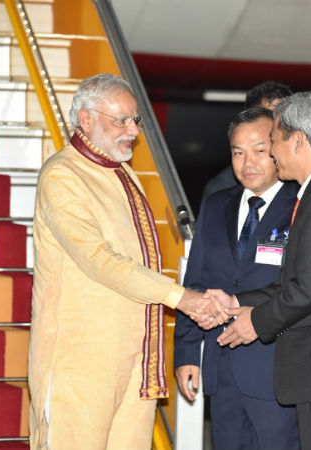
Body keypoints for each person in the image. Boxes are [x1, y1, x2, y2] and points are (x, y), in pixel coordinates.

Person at [28, 73, 213, 449]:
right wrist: (180, 298)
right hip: (80, 362)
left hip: (135, 359)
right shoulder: (62, 175)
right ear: (85, 120)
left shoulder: (123, 172)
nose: (133, 130)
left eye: (135, 119)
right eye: (122, 120)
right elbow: (98, 259)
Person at [210, 92, 311, 450]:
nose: (272, 152)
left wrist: (256, 322)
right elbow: (300, 280)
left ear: (298, 141)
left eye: (273, 141)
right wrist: (237, 302)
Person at [174, 107, 300, 450]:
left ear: (277, 148)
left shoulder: (301, 206)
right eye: (238, 153)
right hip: (222, 368)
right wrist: (187, 351)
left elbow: (303, 287)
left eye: (259, 151)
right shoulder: (217, 205)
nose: (248, 163)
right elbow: (195, 282)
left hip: (276, 370)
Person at [201, 81, 292, 199]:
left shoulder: (302, 180)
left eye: (282, 121)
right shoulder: (221, 191)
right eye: (266, 117)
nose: (277, 129)